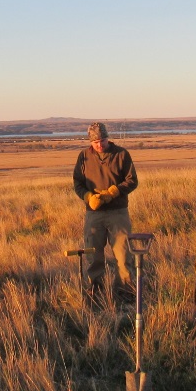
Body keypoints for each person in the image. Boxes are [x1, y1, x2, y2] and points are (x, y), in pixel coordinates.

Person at [73, 122, 138, 298]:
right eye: (95, 142)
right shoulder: (83, 157)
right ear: (90, 142)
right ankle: (96, 291)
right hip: (94, 214)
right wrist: (88, 197)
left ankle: (126, 292)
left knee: (123, 255)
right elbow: (77, 184)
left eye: (102, 140)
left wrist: (114, 192)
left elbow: (132, 181)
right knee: (93, 255)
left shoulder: (121, 154)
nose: (100, 145)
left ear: (108, 138)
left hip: (118, 213)